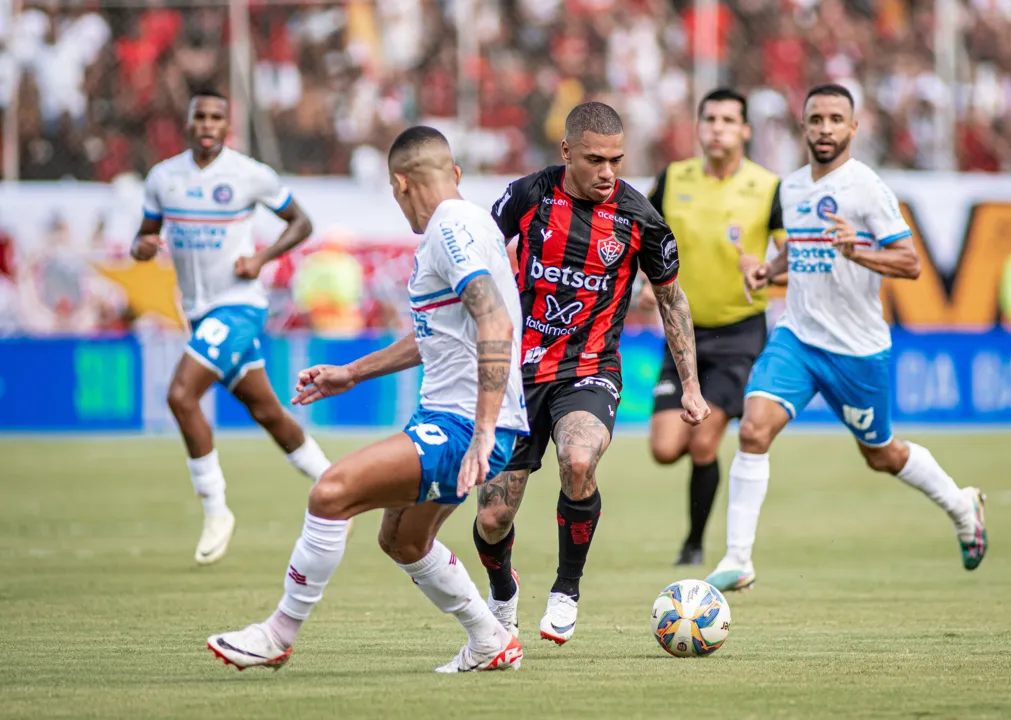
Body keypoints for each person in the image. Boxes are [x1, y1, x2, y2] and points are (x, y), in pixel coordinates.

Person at [207, 126, 530, 673]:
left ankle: (277, 634)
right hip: (455, 418)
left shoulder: (450, 229)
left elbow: (494, 320)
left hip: (465, 426)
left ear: (399, 184)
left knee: (332, 492)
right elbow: (439, 334)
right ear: (452, 173)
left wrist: (481, 431)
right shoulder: (468, 225)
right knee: (403, 540)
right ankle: (490, 640)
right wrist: (353, 373)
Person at [705, 84, 988, 593]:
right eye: (816, 119)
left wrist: (858, 253)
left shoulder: (867, 189)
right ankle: (738, 559)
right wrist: (768, 271)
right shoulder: (790, 188)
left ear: (853, 128)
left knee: (880, 454)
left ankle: (961, 504)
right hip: (798, 336)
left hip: (857, 349)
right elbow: (801, 251)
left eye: (837, 119)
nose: (826, 128)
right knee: (752, 431)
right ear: (804, 128)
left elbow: (910, 262)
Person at [473, 102, 709, 645]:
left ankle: (566, 588)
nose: (608, 172)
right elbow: (477, 257)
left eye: (617, 160)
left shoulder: (640, 218)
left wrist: (690, 385)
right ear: (566, 152)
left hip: (589, 368)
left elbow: (672, 301)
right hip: (517, 374)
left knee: (578, 460)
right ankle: (503, 591)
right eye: (595, 160)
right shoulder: (528, 196)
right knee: (492, 519)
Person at [132, 90, 332, 565]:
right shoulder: (164, 178)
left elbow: (302, 221)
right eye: (199, 116)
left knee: (181, 395)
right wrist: (140, 246)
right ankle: (336, 479)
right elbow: (145, 234)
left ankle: (216, 510)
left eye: (216, 117)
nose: (207, 123)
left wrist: (261, 258)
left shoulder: (248, 175)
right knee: (267, 411)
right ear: (187, 123)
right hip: (200, 314)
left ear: (228, 126)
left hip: (239, 307)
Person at [638, 88, 786, 567]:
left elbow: (795, 258)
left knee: (703, 438)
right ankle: (698, 518)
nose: (718, 127)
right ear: (699, 128)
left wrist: (766, 271)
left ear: (745, 130)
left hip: (740, 332)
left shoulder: (768, 187)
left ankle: (694, 543)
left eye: (728, 120)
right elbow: (637, 236)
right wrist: (644, 280)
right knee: (664, 448)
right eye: (710, 119)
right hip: (684, 334)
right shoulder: (672, 178)